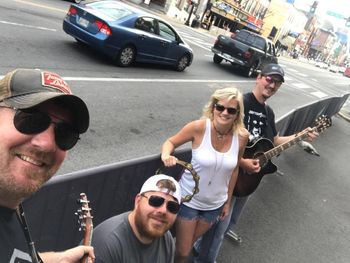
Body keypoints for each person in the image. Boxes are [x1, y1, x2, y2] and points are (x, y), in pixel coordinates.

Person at [195, 63, 319, 262]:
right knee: (219, 226)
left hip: (250, 178)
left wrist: (300, 135)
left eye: (277, 82)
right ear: (259, 77)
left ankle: (197, 249)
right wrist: (242, 162)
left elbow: (275, 141)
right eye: (269, 79)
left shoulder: (268, 113)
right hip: (230, 173)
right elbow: (220, 135)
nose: (272, 85)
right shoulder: (240, 103)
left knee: (228, 222)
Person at [0, 68, 94, 262]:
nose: (47, 144)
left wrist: (61, 259)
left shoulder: (10, 202)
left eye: (65, 133)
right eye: (30, 119)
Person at [161, 88, 249, 263]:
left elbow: (235, 169)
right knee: (183, 250)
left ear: (237, 114)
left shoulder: (242, 136)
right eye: (220, 107)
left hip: (214, 205)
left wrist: (227, 201)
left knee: (189, 243)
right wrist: (166, 155)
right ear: (213, 107)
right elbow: (170, 142)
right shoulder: (199, 127)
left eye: (231, 110)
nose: (224, 112)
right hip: (189, 200)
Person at [91, 174, 181, 263]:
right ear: (138, 201)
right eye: (156, 201)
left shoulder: (166, 239)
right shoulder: (107, 245)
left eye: (172, 207)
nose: (163, 210)